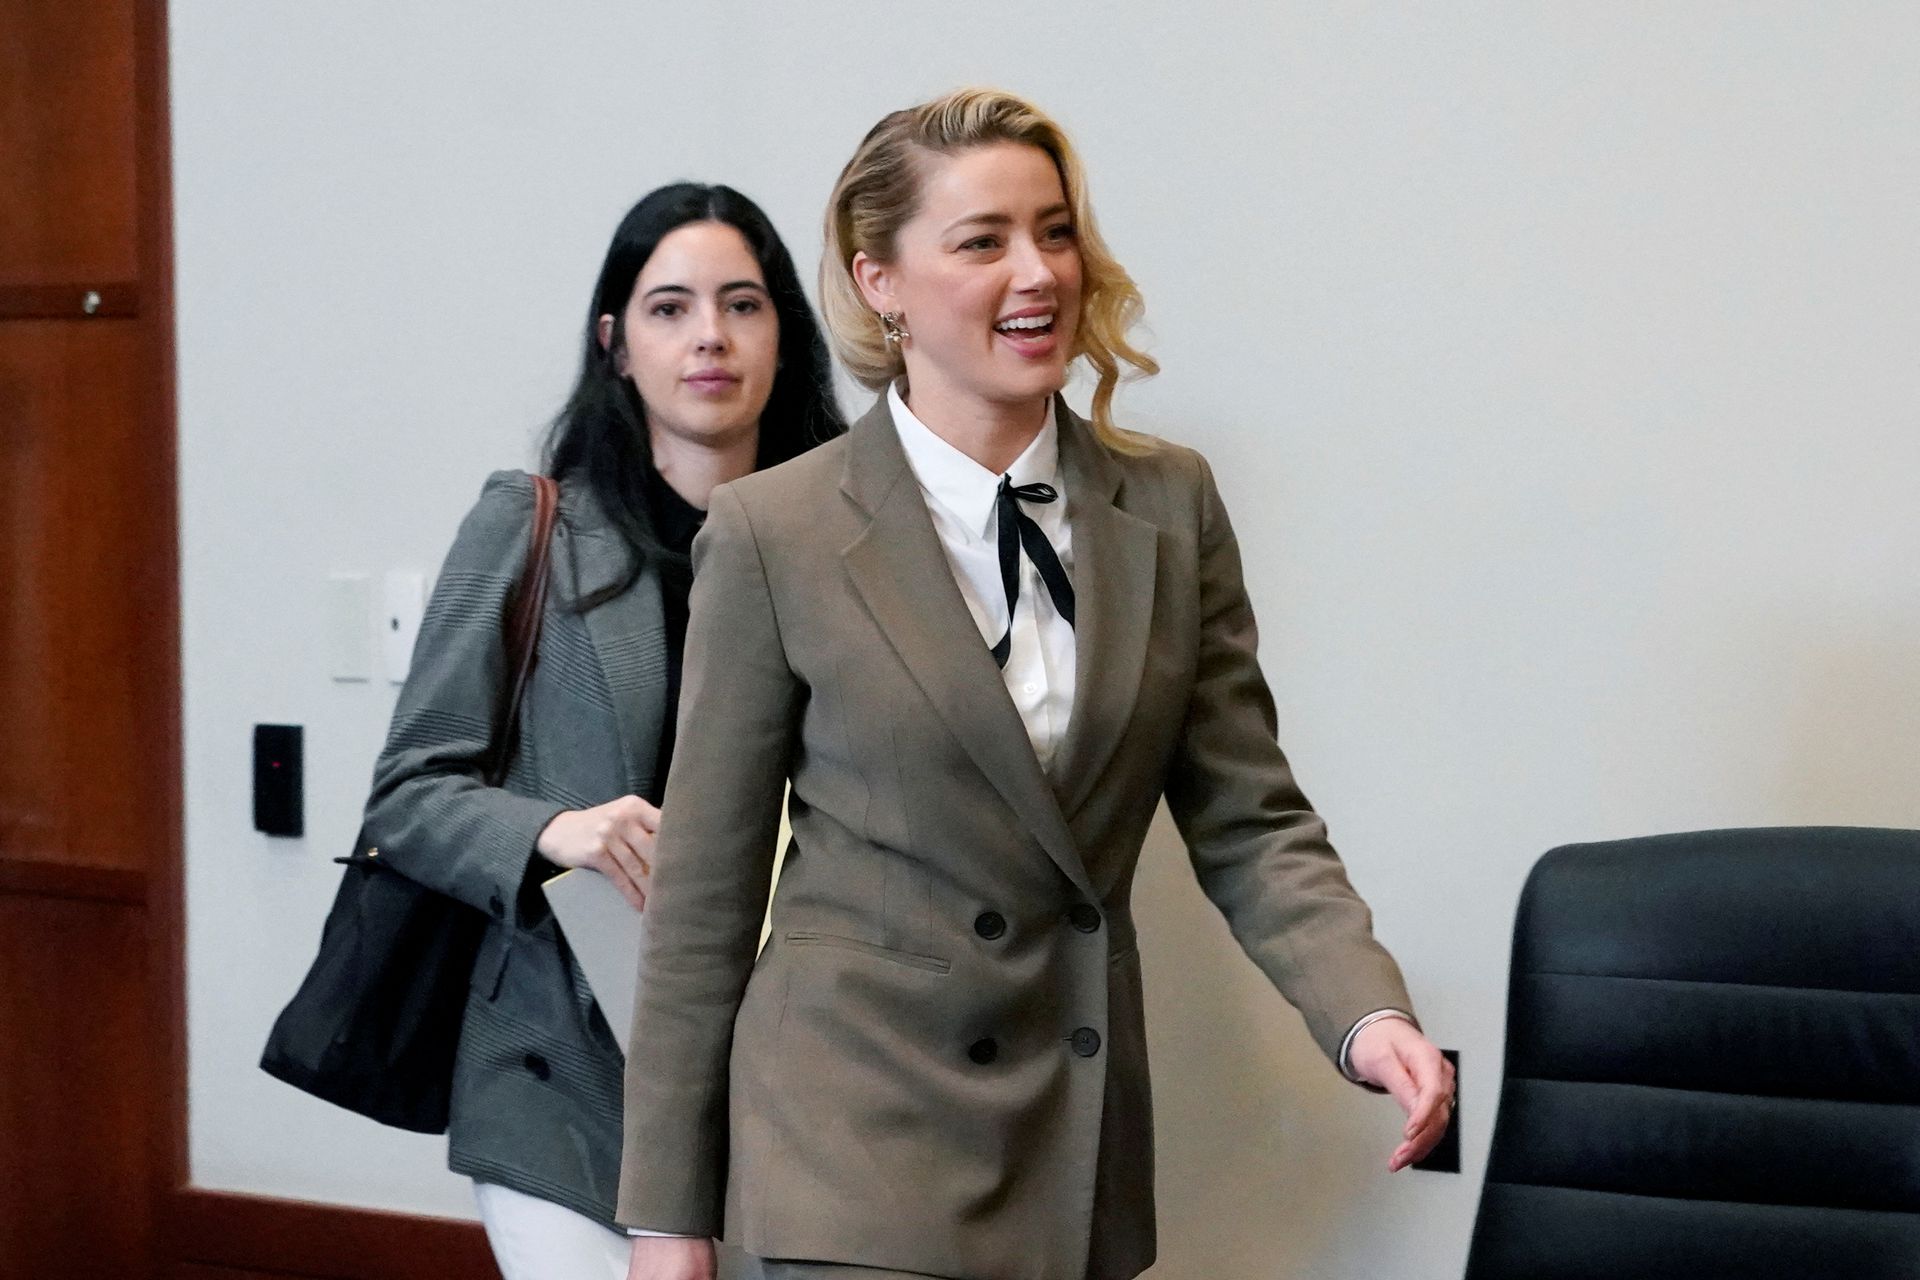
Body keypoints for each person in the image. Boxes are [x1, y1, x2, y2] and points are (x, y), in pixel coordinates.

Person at [618, 90, 1454, 1280]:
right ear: (880, 283)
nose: (1039, 272)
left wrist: (1368, 1013)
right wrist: (666, 1216)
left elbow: (1252, 817)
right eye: (983, 240)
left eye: (1054, 231)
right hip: (849, 1147)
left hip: (1073, 1139)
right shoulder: (776, 530)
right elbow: (704, 901)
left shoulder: (1170, 505)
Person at [358, 182, 843, 1280]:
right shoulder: (535, 527)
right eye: (670, 307)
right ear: (616, 342)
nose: (709, 335)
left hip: (792, 1069)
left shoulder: (844, 549)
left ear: (784, 336)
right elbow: (409, 793)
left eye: (743, 303)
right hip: (561, 1066)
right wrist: (556, 829)